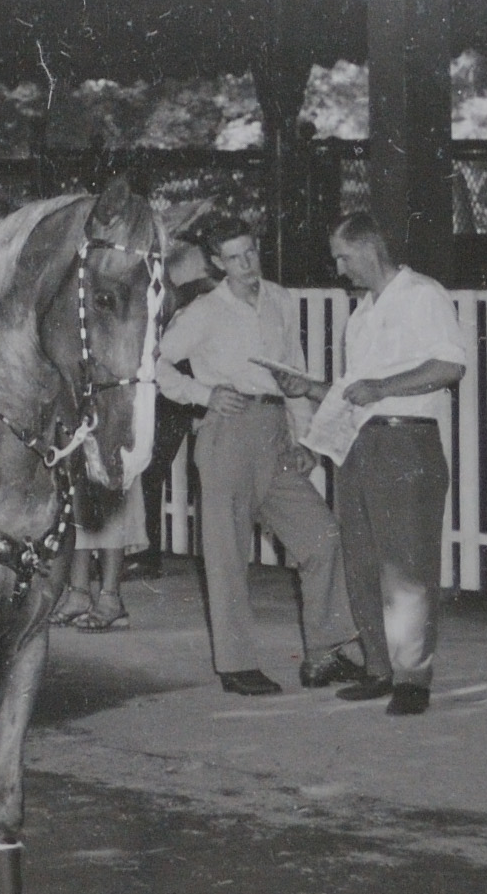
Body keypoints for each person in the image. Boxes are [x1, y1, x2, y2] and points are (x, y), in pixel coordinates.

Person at [152, 215, 364, 690]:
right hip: (227, 432)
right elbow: (155, 364)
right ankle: (236, 664)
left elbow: (293, 370)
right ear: (215, 263)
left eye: (251, 253)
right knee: (226, 553)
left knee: (322, 536)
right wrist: (202, 395)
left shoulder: (280, 300)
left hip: (275, 431)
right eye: (234, 258)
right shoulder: (205, 311)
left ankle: (327, 651)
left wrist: (306, 437)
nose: (247, 265)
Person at [274, 213, 467, 717]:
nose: (339, 268)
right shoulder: (360, 314)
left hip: (407, 443)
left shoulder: (423, 295)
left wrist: (384, 388)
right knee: (361, 564)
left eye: (342, 256)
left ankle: (412, 678)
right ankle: (378, 668)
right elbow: (352, 394)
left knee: (407, 567)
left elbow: (449, 366)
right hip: (360, 446)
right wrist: (313, 399)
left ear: (369, 248)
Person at [125, 234, 217, 579]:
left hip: (184, 386)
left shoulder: (196, 286)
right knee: (150, 471)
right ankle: (145, 553)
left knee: (155, 470)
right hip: (172, 386)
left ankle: (147, 554)